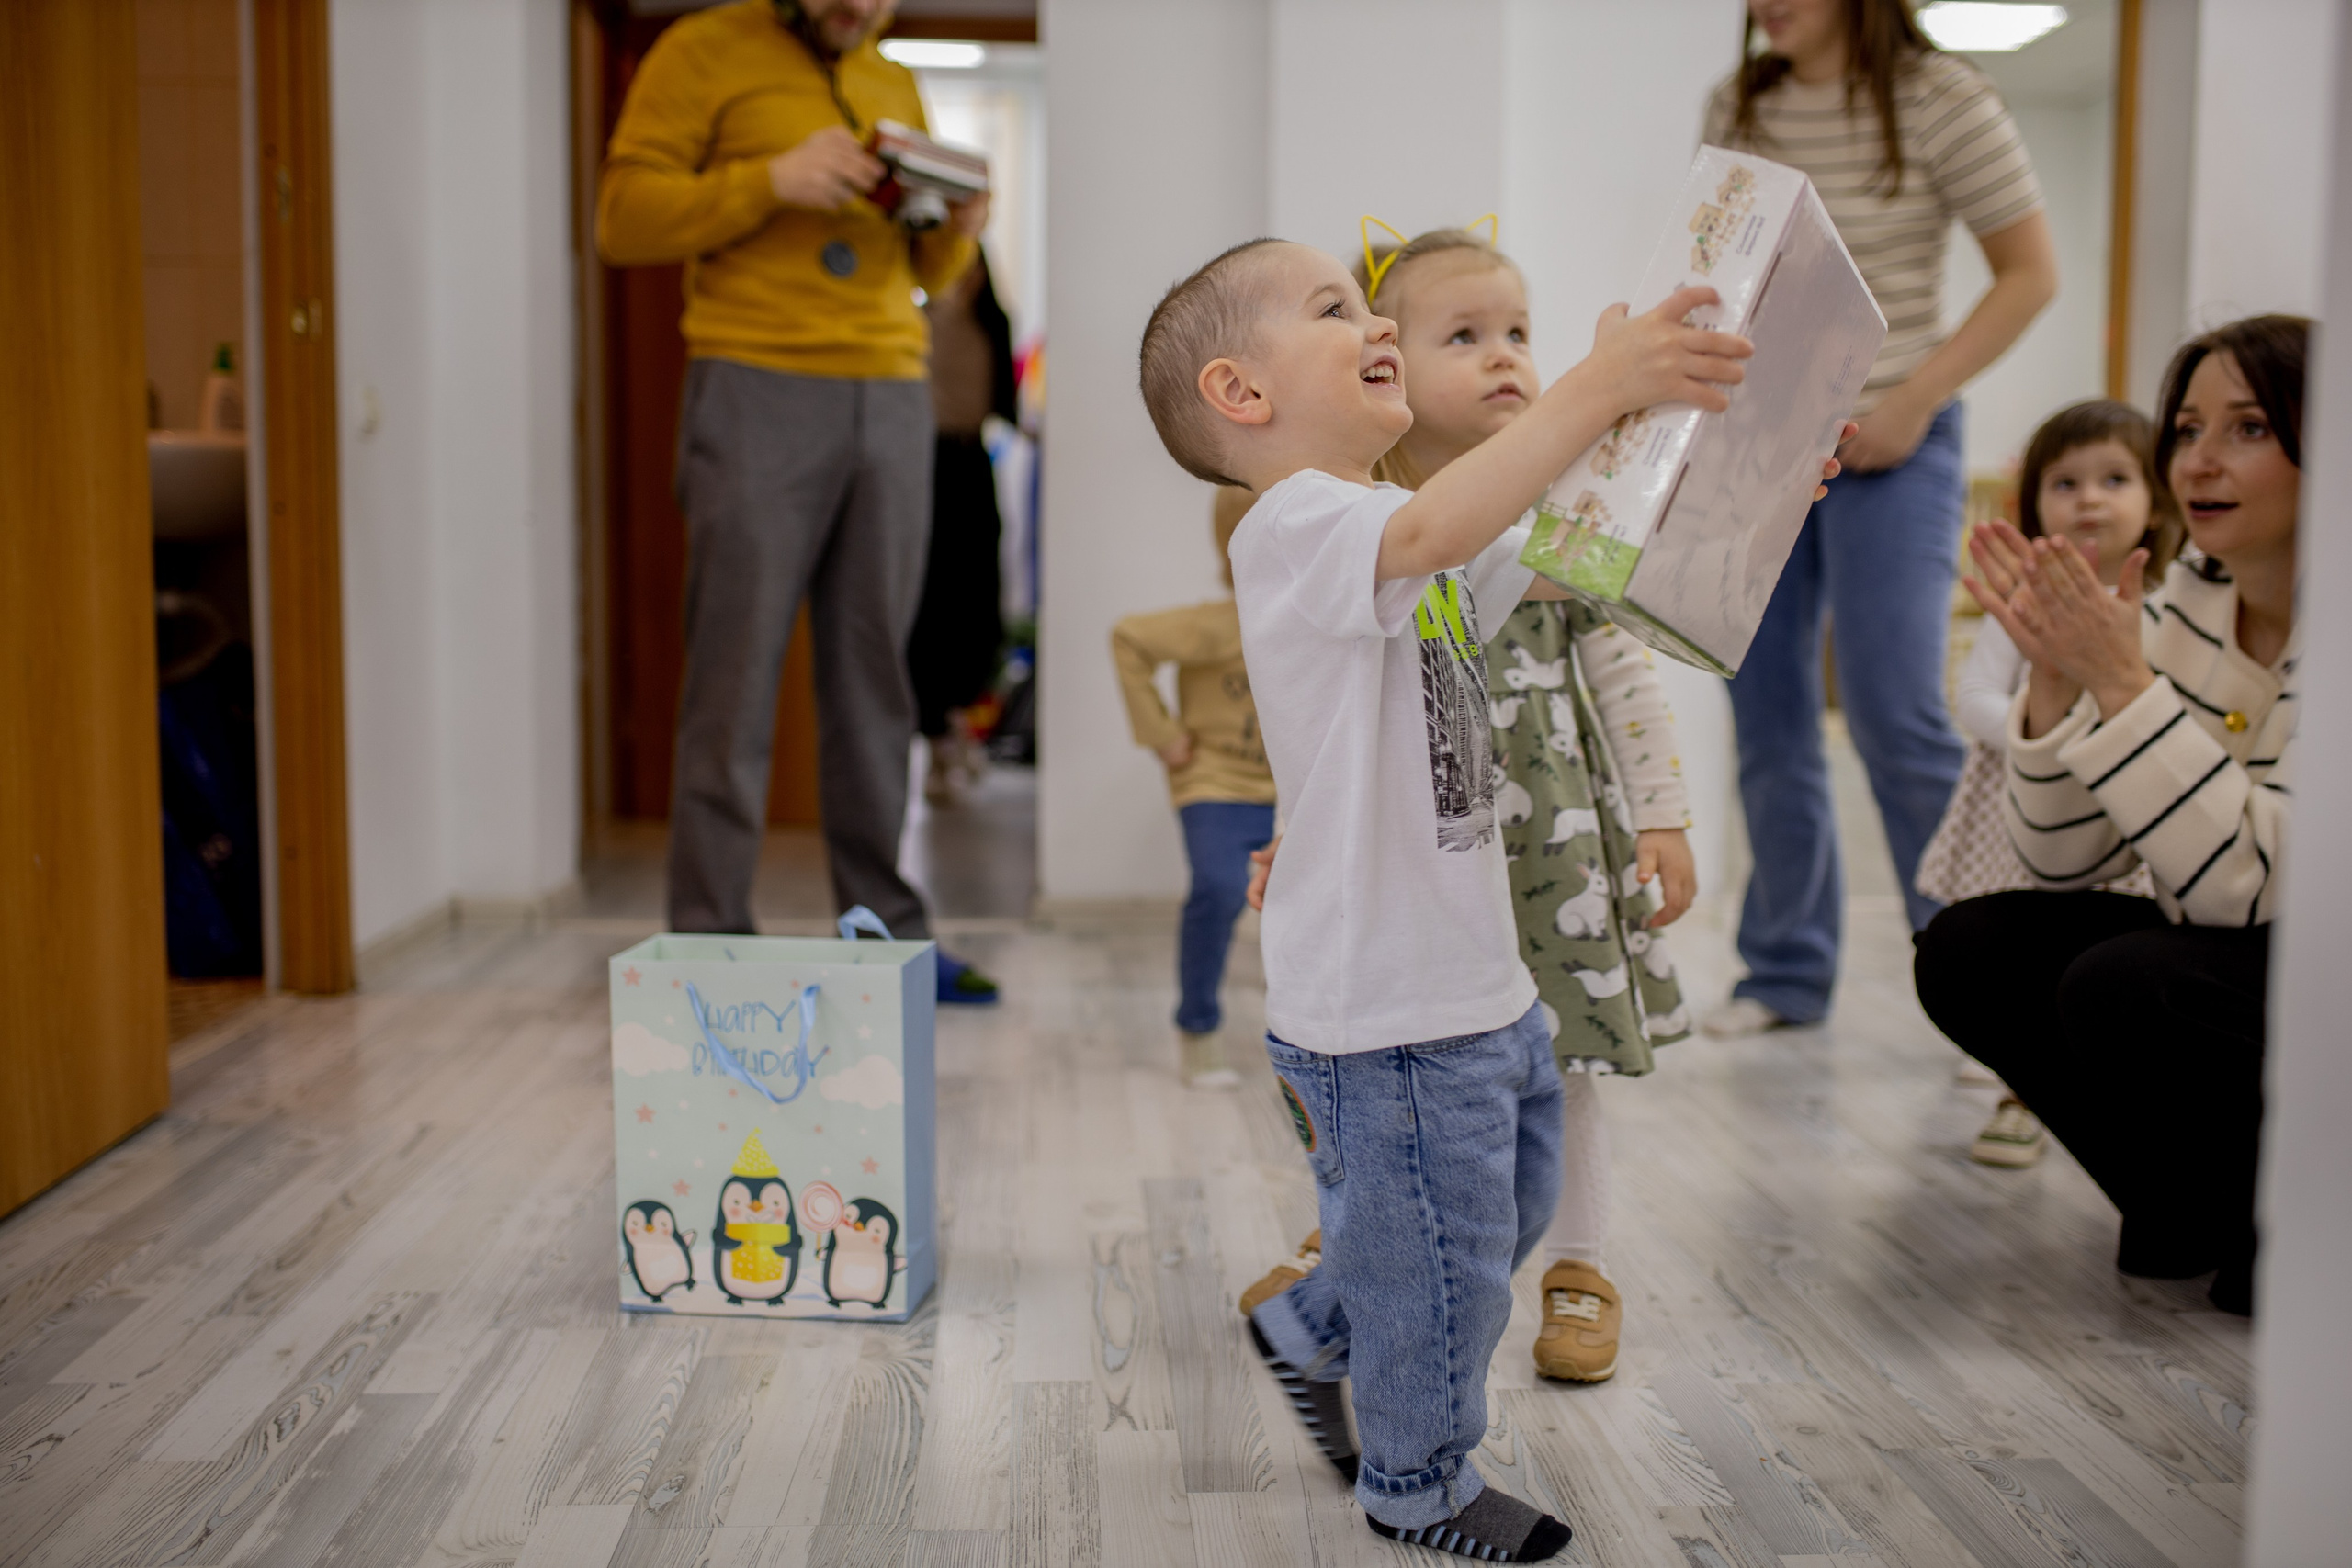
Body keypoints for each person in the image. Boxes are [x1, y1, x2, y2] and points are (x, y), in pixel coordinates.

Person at [1137, 228, 1773, 1557]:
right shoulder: (1301, 523)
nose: (1366, 320)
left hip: (1480, 982)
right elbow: (1443, 518)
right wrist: (1594, 386)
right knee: (1443, 1268)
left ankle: (1318, 1321)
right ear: (1242, 397)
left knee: (1491, 1213)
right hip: (1389, 1006)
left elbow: (1569, 558)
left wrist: (1739, 486)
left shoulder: (1396, 539)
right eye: (1329, 307)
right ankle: (1418, 1483)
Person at [1237, 226, 1708, 1389]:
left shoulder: (1518, 522)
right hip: (1433, 877)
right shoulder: (1353, 524)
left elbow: (1624, 630)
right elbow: (1324, 720)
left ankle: (1566, 1264)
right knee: (1410, 1083)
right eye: (1462, 336)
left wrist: (1751, 479)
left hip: (1554, 844)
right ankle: (1366, 1271)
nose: (1503, 358)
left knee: (1561, 1070)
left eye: (1518, 335)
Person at [597, 0, 998, 1000]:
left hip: (892, 390)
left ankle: (887, 942)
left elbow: (922, 269)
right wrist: (768, 180)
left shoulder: (891, 77)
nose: (856, 9)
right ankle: (707, 947)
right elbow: (622, 220)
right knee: (733, 677)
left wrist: (958, 234)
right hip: (754, 381)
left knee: (876, 681)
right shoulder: (700, 52)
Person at [1915, 315, 2307, 1317]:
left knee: (2130, 981)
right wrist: (2055, 674)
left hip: (2312, 962)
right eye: (2185, 430)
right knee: (1969, 946)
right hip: (2247, 954)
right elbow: (2059, 860)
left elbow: (2256, 890)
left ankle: (2285, 1222)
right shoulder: (2188, 600)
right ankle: (2193, 1202)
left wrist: (2123, 686)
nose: (2200, 461)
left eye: (2249, 428)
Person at [1701, 0, 2058, 1036]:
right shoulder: (1739, 103)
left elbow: (2030, 276)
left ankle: (1983, 995)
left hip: (1897, 440)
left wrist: (1909, 402)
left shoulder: (1945, 100)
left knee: (1895, 712)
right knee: (1765, 719)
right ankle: (1782, 975)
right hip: (1760, 443)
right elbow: (1726, 273)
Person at [1914, 400, 2175, 1167]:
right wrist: (2051, 739)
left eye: (2114, 478)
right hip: (2019, 809)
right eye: (2066, 482)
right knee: (2018, 947)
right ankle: (2019, 1090)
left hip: (2127, 815)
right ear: (2033, 506)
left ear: (2155, 501)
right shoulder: (2018, 606)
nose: (2090, 498)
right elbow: (1974, 700)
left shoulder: (2168, 607)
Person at [1109, 487, 1277, 1090]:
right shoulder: (1217, 624)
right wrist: (1161, 735)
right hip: (1218, 784)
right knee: (1217, 889)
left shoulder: (1323, 614)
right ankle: (1199, 1026)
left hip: (1297, 794)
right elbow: (1129, 638)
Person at [912, 251, 1017, 806]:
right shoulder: (919, 323)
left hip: (973, 468)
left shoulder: (992, 327)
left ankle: (962, 725)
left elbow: (1009, 404)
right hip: (921, 466)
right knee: (927, 604)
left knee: (977, 599)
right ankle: (934, 739)